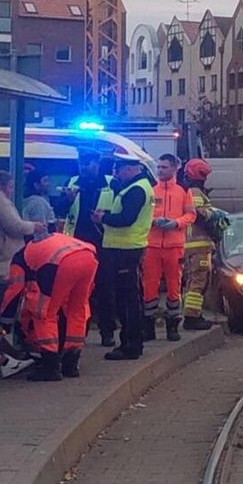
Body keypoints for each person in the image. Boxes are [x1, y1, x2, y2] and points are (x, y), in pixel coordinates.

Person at [1, 232, 98, 381]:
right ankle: (71, 362)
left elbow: (15, 290)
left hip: (60, 263)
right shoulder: (46, 243)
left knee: (44, 312)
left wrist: (5, 321)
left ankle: (50, 366)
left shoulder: (19, 259)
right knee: (77, 310)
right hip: (88, 256)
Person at [93, 155, 154, 361]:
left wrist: (103, 218)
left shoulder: (136, 190)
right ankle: (131, 341)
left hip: (125, 249)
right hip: (125, 248)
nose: (116, 172)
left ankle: (130, 344)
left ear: (131, 168)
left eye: (118, 168)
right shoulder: (136, 187)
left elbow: (126, 219)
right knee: (128, 297)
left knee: (127, 300)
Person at [61, 150, 116, 346]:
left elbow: (119, 209)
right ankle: (78, 332)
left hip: (103, 243)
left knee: (105, 290)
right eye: (81, 164)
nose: (84, 168)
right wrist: (66, 200)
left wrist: (104, 216)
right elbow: (59, 209)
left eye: (88, 164)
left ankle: (107, 332)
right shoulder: (73, 181)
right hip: (76, 243)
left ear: (97, 163)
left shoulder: (110, 183)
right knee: (78, 291)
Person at [140, 154, 195, 343]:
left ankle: (173, 326)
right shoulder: (151, 190)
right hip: (152, 245)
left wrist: (176, 223)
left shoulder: (183, 191)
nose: (160, 170)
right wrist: (153, 221)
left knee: (174, 287)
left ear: (173, 168)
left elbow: (191, 215)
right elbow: (142, 215)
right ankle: (148, 327)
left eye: (164, 167)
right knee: (149, 287)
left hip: (173, 246)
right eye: (159, 167)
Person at [0, 171, 43, 323]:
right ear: (2, 186)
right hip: (3, 260)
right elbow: (15, 226)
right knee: (1, 304)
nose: (11, 190)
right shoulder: (0, 202)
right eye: (10, 186)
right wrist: (34, 226)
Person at [181, 158, 223, 331]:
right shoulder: (196, 193)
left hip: (191, 246)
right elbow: (198, 215)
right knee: (199, 281)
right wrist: (215, 218)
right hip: (198, 246)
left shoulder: (188, 191)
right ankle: (192, 317)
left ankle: (193, 314)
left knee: (193, 281)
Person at [22, 168, 58, 236]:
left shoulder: (27, 200)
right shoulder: (38, 202)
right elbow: (41, 228)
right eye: (45, 181)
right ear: (36, 185)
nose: (48, 184)